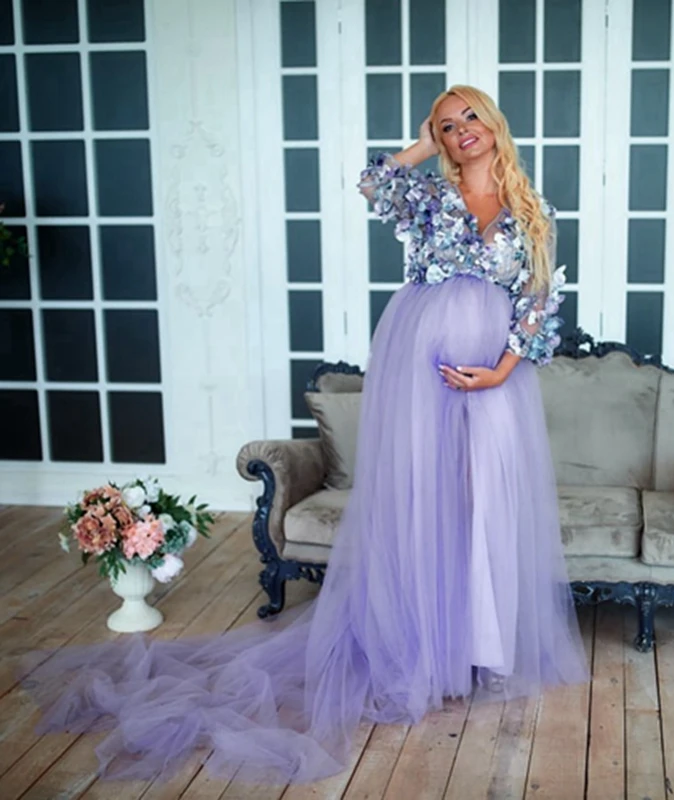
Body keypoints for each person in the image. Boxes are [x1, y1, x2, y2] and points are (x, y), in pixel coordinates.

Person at [20, 85, 587, 786]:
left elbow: (536, 300)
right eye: (447, 125)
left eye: (470, 116)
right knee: (427, 502)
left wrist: (501, 370)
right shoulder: (430, 197)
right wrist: (422, 142)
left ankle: (482, 646)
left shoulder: (532, 209)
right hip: (422, 372)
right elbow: (374, 182)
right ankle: (428, 649)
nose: (462, 130)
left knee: (485, 504)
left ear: (494, 122)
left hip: (492, 381)